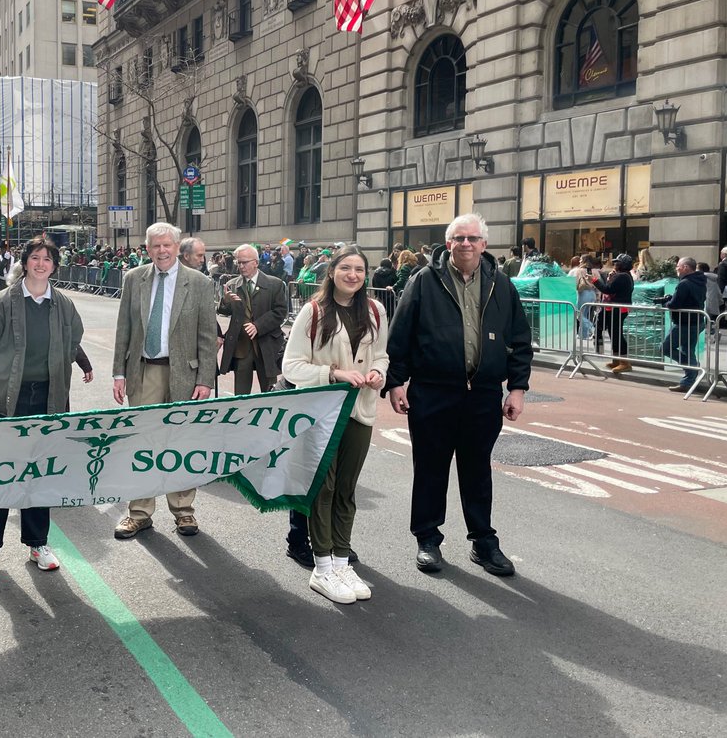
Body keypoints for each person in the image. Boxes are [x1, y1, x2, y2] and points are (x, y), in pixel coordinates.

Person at [384, 213, 532, 578]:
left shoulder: (501, 284)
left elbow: (520, 340)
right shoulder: (424, 280)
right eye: (460, 238)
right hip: (433, 391)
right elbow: (401, 334)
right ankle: (427, 538)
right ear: (449, 243)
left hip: (482, 394)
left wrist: (517, 388)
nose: (466, 244)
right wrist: (396, 381)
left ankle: (483, 541)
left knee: (477, 470)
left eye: (473, 238)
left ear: (484, 244)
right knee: (430, 468)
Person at [0, 236, 85, 581]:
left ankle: (37, 543)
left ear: (55, 266)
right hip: (5, 402)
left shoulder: (62, 304)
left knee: (41, 473)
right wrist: (1, 380)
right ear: (25, 262)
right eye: (35, 257)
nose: (41, 263)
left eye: (47, 258)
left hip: (47, 399)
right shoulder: (3, 301)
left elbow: (73, 343)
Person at [282, 247, 388, 604]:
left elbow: (382, 355)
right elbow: (291, 366)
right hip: (322, 412)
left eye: (359, 269)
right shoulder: (313, 312)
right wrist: (334, 373)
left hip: (360, 410)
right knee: (322, 489)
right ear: (331, 272)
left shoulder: (375, 310)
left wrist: (378, 373)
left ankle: (342, 561)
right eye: (345, 268)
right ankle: (323, 566)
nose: (353, 275)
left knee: (346, 489)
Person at [111, 222, 218, 539]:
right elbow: (124, 328)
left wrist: (205, 379)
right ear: (147, 249)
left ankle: (184, 511)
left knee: (181, 442)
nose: (161, 251)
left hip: (185, 373)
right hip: (144, 371)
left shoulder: (198, 283)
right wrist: (119, 372)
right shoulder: (134, 279)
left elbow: (207, 335)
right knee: (143, 442)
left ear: (176, 247)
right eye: (155, 246)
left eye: (167, 245)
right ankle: (139, 513)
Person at [218, 243, 288, 394]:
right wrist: (225, 302)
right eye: (238, 262)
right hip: (241, 347)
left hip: (266, 345)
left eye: (244, 262)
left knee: (269, 392)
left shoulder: (274, 284)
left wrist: (258, 326)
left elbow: (280, 312)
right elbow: (223, 311)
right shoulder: (232, 285)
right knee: (241, 394)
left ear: (256, 262)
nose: (240, 266)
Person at [662, 257, 707, 393]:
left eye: (678, 266)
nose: (677, 269)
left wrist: (666, 303)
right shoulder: (700, 281)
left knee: (666, 348)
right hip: (697, 321)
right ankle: (688, 381)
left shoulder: (685, 283)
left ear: (686, 267)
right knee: (688, 349)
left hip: (684, 323)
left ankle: (692, 368)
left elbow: (675, 304)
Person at [592, 254, 635, 372]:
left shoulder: (622, 276)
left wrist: (595, 280)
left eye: (617, 263)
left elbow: (608, 289)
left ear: (623, 265)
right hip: (616, 308)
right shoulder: (624, 275)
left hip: (618, 309)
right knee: (613, 334)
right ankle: (616, 360)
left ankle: (624, 363)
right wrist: (611, 278)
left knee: (617, 334)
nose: (615, 264)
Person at [569, 254, 600, 340]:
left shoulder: (579, 271)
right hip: (592, 293)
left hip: (583, 293)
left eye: (581, 260)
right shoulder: (595, 271)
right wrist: (598, 297)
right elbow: (598, 284)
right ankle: (583, 335)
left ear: (584, 261)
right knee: (585, 314)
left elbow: (574, 282)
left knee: (579, 315)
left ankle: (592, 328)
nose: (579, 261)